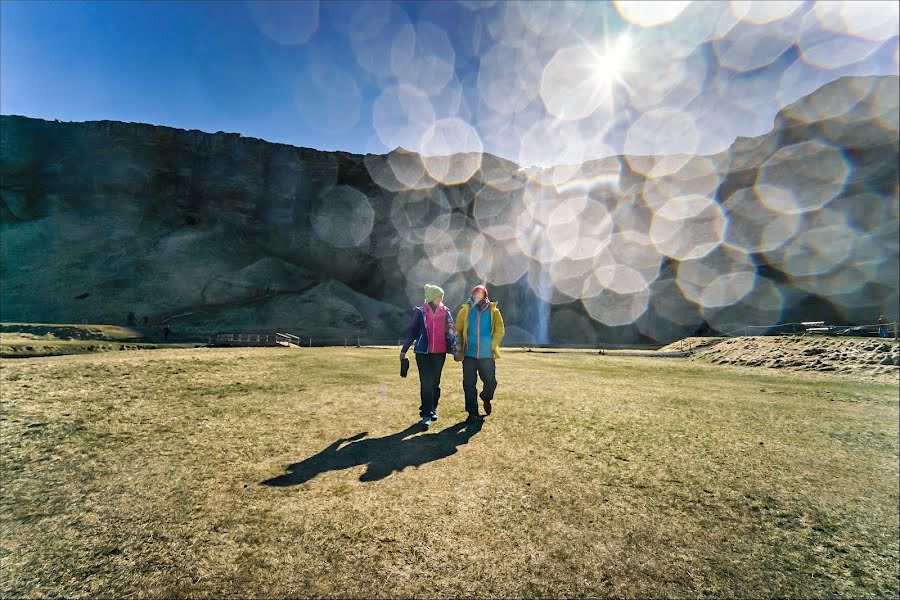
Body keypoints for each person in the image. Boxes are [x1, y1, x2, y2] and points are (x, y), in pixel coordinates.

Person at [400, 284, 461, 430]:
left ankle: (433, 408)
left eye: (442, 296)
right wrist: (404, 350)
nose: (441, 298)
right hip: (422, 353)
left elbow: (451, 332)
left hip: (439, 353)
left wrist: (456, 351)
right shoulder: (420, 312)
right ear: (432, 297)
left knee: (435, 383)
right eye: (439, 296)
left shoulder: (445, 312)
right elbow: (412, 332)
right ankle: (426, 414)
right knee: (426, 383)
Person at [455, 284, 505, 423]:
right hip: (469, 354)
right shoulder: (465, 311)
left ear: (485, 295)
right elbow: (457, 330)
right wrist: (458, 347)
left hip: (487, 355)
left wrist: (491, 345)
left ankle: (486, 397)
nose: (478, 296)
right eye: (475, 293)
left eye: (481, 294)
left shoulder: (493, 311)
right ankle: (472, 412)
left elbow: (500, 330)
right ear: (472, 295)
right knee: (469, 384)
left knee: (491, 382)